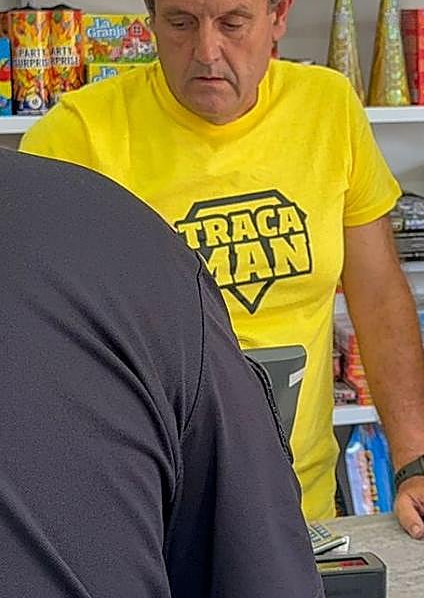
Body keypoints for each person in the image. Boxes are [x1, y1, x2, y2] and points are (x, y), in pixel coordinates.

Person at [20, 0, 424, 548]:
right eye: (180, 22)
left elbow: (378, 295)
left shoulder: (328, 107)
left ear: (280, 13)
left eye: (233, 22)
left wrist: (416, 464)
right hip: (142, 512)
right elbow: (37, 345)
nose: (207, 51)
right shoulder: (76, 137)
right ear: (148, 13)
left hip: (300, 502)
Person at [1, 147, 322, 597]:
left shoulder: (331, 117)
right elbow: (262, 574)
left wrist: (411, 463)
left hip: (290, 473)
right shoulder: (100, 200)